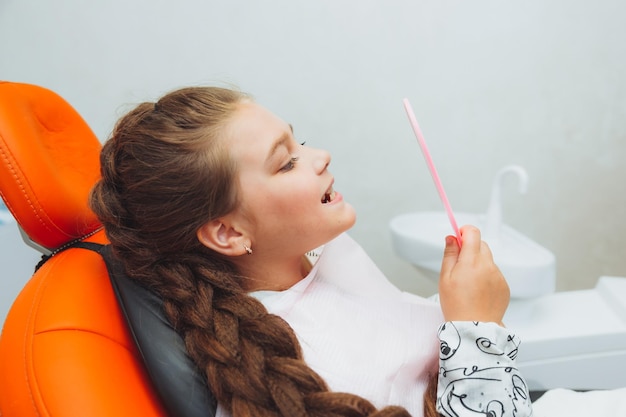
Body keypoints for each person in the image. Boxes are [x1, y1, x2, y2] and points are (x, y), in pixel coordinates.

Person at [89, 86, 533, 417]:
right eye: (285, 163)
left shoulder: (326, 254)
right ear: (227, 232)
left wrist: (464, 311)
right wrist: (479, 332)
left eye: (299, 143)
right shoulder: (288, 375)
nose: (320, 156)